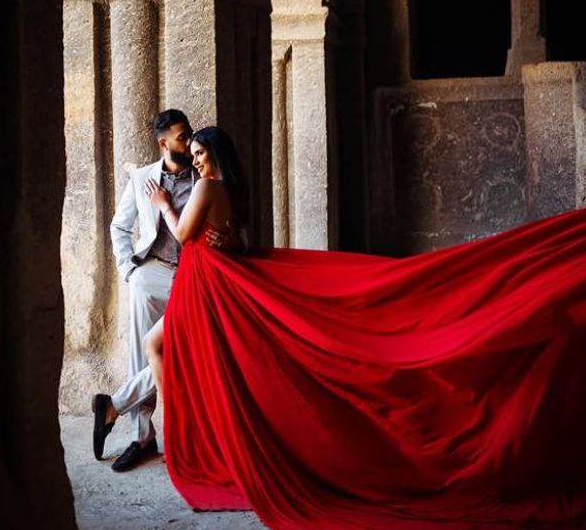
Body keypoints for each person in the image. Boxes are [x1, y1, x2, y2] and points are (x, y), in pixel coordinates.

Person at [152, 126, 586, 528]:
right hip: (210, 282)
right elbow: (233, 237)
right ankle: (179, 437)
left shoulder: (208, 187)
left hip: (205, 286)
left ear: (216, 156)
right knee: (179, 355)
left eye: (201, 153)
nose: (197, 162)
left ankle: (178, 441)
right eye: (192, 155)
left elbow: (186, 233)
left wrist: (165, 206)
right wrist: (231, 240)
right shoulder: (228, 189)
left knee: (172, 352)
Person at [91, 110, 231, 472]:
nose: (189, 143)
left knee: (174, 349)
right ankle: (142, 436)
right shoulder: (142, 179)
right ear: (163, 143)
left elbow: (219, 223)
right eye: (183, 137)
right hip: (151, 273)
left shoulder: (205, 177)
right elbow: (119, 227)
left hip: (193, 275)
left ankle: (114, 405)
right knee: (145, 347)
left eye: (191, 138)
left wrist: (230, 237)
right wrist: (128, 271)